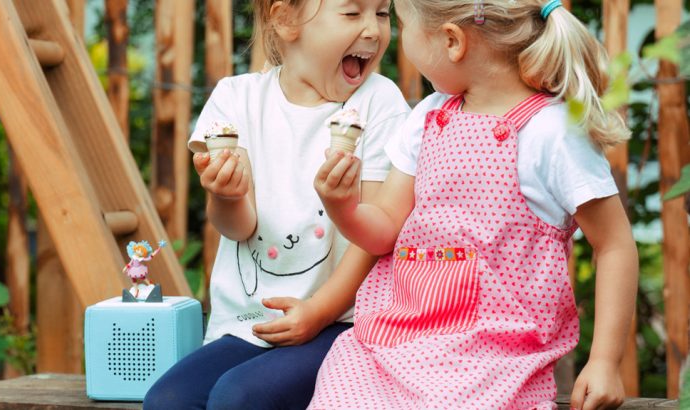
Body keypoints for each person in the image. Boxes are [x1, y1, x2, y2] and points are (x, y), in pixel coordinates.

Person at [309, 0, 638, 408]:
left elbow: (615, 245)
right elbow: (384, 230)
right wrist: (343, 207)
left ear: (451, 41)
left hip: (492, 362)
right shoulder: (427, 118)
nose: (399, 43)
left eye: (405, 27)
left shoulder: (552, 132)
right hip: (390, 344)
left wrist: (605, 360)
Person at [143, 0, 410, 408]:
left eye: (381, 13)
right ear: (285, 19)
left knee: (239, 399)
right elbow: (237, 227)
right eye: (353, 13)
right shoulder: (237, 99)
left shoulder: (379, 102)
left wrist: (318, 313)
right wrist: (226, 194)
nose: (373, 30)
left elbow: (374, 239)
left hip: (342, 325)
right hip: (249, 324)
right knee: (168, 400)